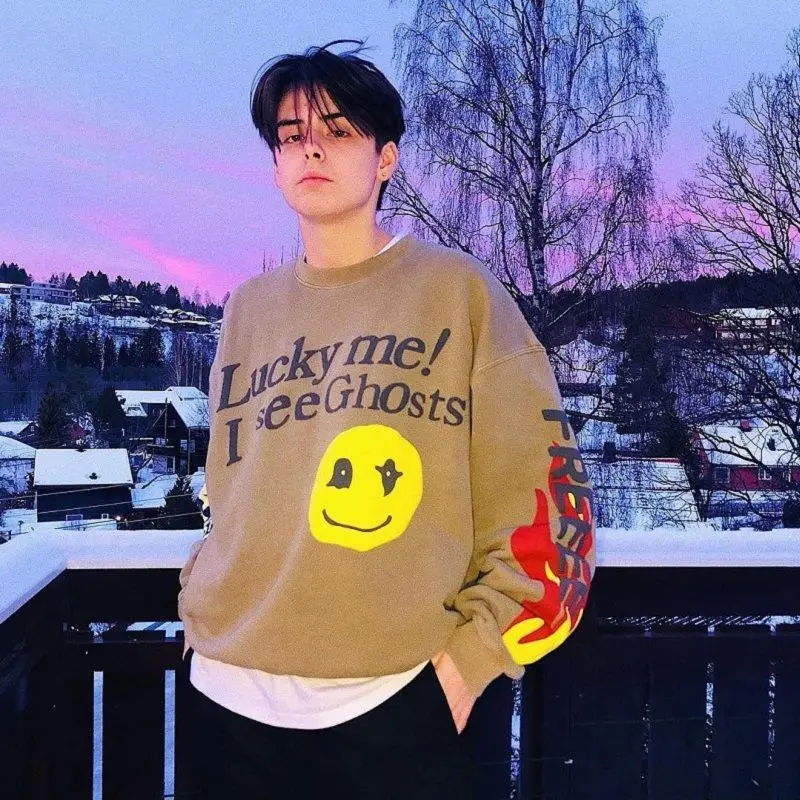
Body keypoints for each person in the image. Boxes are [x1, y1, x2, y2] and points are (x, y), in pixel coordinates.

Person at [177, 38, 596, 800]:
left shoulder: (460, 295)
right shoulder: (247, 310)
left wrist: (466, 668)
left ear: (386, 159)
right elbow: (232, 495)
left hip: (394, 707)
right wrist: (197, 615)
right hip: (225, 697)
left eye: (338, 131)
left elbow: (553, 510)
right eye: (292, 135)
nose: (311, 149)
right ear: (275, 163)